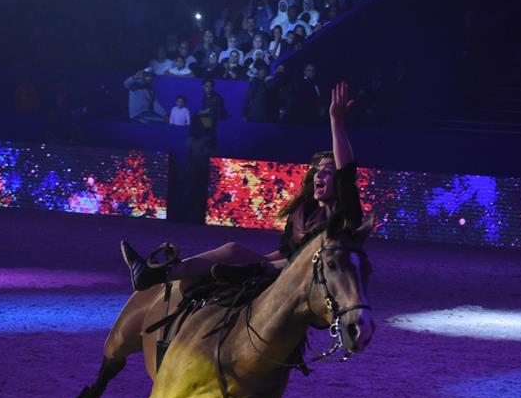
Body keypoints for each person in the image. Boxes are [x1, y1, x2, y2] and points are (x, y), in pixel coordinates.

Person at [120, 82, 363, 291]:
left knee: (267, 267)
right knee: (233, 250)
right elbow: (284, 253)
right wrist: (252, 261)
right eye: (318, 170)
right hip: (279, 268)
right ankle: (159, 275)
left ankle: (245, 274)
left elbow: (347, 174)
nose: (320, 174)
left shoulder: (343, 213)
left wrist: (336, 121)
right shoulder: (303, 210)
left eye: (328, 171)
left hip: (312, 279)